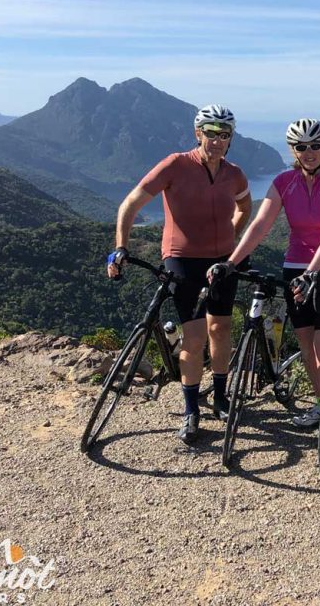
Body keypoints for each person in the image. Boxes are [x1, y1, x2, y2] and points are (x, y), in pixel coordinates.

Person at [106, 104, 252, 445]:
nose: (217, 140)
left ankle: (219, 396)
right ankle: (190, 410)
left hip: (223, 262)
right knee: (195, 335)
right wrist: (121, 246)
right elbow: (129, 204)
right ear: (197, 133)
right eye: (210, 133)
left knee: (222, 327)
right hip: (183, 260)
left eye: (224, 134)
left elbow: (245, 206)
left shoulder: (234, 174)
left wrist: (232, 234)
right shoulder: (176, 165)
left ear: (231, 139)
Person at [208, 118, 320, 453]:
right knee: (304, 344)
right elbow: (260, 224)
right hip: (295, 268)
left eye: (315, 145)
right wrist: (231, 262)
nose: (309, 152)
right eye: (301, 147)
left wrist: (313, 272)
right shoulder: (283, 182)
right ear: (293, 150)